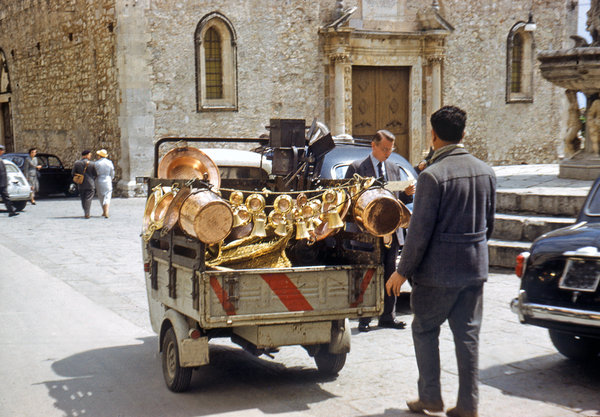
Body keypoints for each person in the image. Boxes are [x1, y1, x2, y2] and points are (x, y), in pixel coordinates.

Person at [386, 106, 496, 417]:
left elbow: (418, 234)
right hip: (474, 270)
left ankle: (430, 397)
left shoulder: (432, 177)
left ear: (433, 136)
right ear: (464, 134)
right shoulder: (486, 171)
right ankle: (468, 404)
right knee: (468, 337)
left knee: (424, 330)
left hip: (437, 275)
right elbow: (489, 226)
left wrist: (401, 272)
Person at [345, 129, 415, 332]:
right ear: (373, 146)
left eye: (391, 150)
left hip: (390, 231)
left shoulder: (393, 167)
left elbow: (400, 200)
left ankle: (388, 316)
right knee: (368, 275)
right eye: (384, 149)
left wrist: (407, 194)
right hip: (367, 232)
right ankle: (365, 319)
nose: (387, 153)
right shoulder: (357, 167)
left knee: (391, 273)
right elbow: (350, 199)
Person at [72, 150, 97, 219]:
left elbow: (73, 173)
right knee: (88, 198)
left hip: (81, 183)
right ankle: (87, 213)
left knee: (83, 198)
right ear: (86, 155)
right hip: (90, 183)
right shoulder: (92, 164)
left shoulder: (77, 163)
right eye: (89, 155)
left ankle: (85, 211)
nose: (90, 156)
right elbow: (95, 174)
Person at [94, 149, 115, 218]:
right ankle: (106, 211)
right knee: (107, 196)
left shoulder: (96, 163)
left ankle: (104, 211)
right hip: (107, 179)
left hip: (99, 179)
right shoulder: (109, 162)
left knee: (101, 196)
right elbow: (112, 172)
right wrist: (111, 178)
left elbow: (95, 172)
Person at [0, 144, 19, 217]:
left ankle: (11, 211)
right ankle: (11, 211)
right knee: (6, 197)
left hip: (2, 182)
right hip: (1, 182)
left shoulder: (1, 159)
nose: (3, 152)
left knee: (6, 197)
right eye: (2, 150)